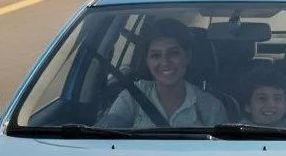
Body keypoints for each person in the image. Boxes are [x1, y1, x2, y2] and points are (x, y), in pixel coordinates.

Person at [98, 17, 229, 128]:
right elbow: (103, 139)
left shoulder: (211, 107)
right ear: (147, 61)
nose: (165, 62)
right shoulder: (133, 97)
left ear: (187, 56)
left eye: (173, 53)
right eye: (155, 55)